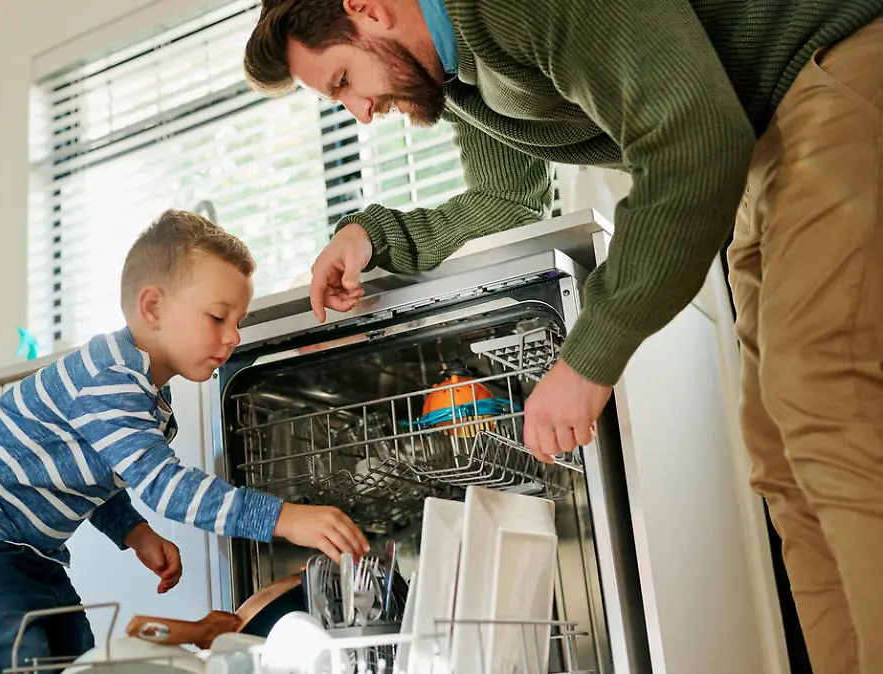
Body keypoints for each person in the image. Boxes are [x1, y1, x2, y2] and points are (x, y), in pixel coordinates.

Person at [243, 1, 883, 672]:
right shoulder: (461, 78)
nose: (360, 113)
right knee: (780, 457)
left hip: (834, 67)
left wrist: (588, 360)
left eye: (343, 81)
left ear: (365, 7)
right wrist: (374, 234)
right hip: (765, 145)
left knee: (823, 397)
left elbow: (692, 139)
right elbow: (506, 201)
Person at [0, 209, 369, 674]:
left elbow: (81, 470)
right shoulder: (110, 380)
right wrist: (284, 518)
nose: (233, 336)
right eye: (217, 317)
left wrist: (134, 531)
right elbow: (167, 487)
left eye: (238, 320)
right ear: (152, 308)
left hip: (28, 550)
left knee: (79, 665)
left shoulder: (141, 389)